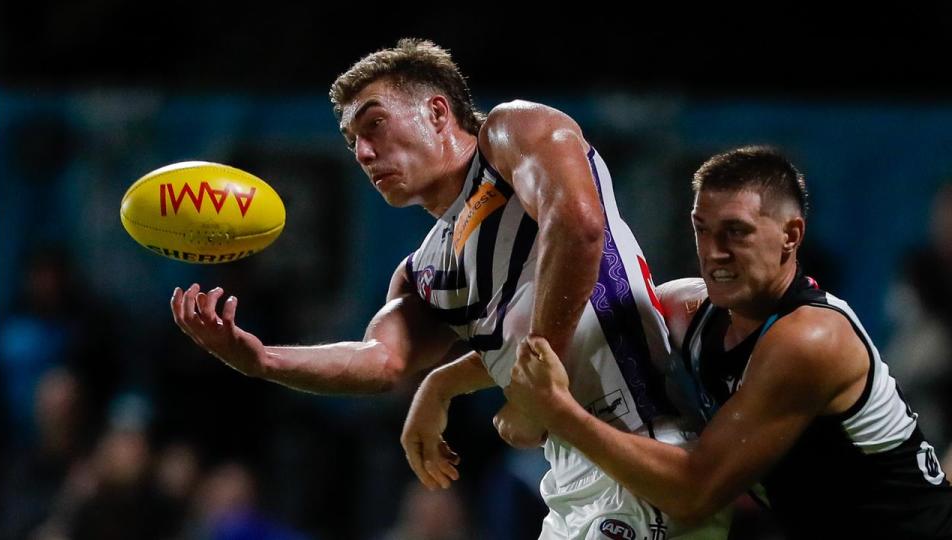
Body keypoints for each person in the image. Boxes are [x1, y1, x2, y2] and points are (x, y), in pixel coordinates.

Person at [170, 39, 728, 539]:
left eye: (374, 126)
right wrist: (263, 359)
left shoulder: (512, 134)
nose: (363, 153)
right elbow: (383, 361)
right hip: (571, 482)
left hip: (644, 454)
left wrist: (534, 389)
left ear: (437, 112)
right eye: (351, 141)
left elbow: (579, 226)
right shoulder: (425, 269)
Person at [502, 146, 952, 539]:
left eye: (736, 232)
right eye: (702, 228)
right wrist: (442, 389)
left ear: (790, 236)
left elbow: (694, 492)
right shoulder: (691, 310)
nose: (713, 251)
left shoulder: (811, 339)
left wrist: (560, 410)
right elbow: (578, 328)